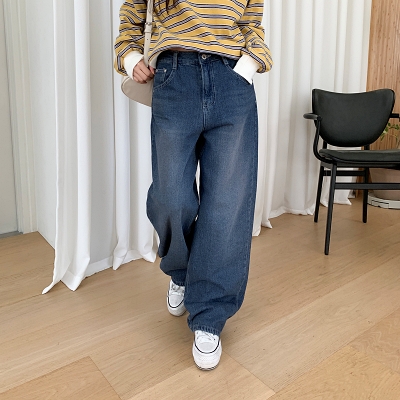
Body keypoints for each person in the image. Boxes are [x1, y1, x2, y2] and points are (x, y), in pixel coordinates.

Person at [115, 0, 272, 370]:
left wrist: (248, 66)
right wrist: (130, 56)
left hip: (232, 81)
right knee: (171, 197)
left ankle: (209, 315)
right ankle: (182, 271)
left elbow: (252, 22)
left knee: (226, 204)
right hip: (175, 77)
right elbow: (132, 14)